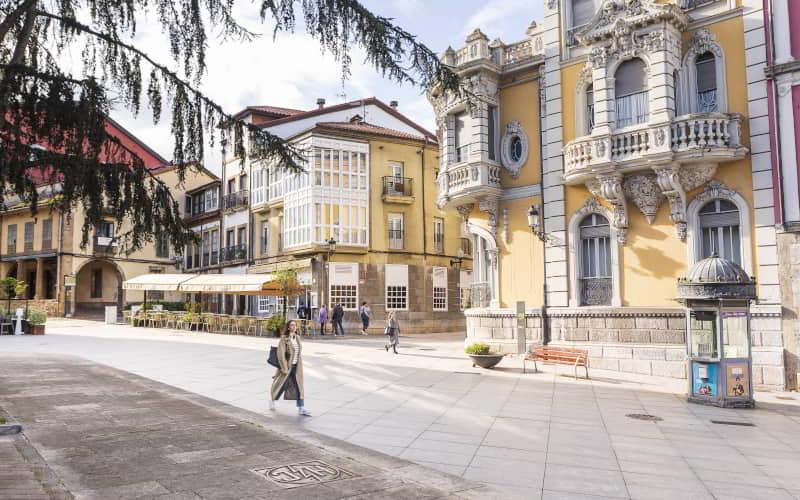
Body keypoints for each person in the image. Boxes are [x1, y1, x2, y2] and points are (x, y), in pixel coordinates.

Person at [269, 320, 311, 416]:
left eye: (295, 325)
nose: (294, 326)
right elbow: (280, 354)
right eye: (292, 325)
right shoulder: (284, 339)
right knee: (281, 385)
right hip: (287, 366)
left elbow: (298, 353)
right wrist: (284, 367)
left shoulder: (297, 338)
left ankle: (301, 408)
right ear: (288, 327)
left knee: (299, 387)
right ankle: (272, 400)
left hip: (297, 367)